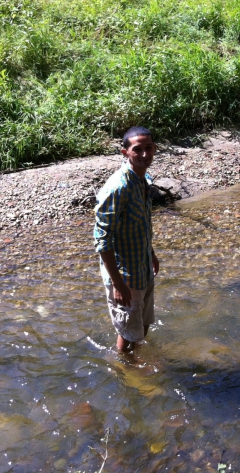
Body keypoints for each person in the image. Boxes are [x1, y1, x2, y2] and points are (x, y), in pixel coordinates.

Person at [93, 126, 161, 353]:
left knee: (142, 325)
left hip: (142, 268)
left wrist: (151, 253)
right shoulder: (118, 188)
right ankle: (125, 372)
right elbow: (102, 239)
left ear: (154, 149)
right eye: (137, 149)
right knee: (127, 333)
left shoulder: (143, 179)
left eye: (148, 148)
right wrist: (118, 284)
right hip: (125, 276)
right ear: (125, 153)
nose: (144, 154)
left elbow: (141, 224)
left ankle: (137, 363)